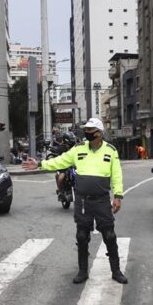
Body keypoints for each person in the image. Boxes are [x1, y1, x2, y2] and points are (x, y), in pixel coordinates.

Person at [23, 118, 127, 285]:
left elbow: (117, 175)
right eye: (86, 130)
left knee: (109, 235)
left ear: (99, 133)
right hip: (83, 201)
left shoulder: (111, 151)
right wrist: (40, 164)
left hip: (101, 201)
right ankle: (82, 271)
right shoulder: (78, 150)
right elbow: (60, 161)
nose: (87, 133)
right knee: (82, 235)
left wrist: (118, 196)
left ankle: (116, 271)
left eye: (91, 130)